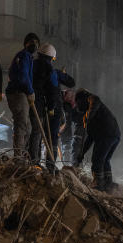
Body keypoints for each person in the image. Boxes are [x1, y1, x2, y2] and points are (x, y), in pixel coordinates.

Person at [31, 43, 75, 172]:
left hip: (37, 105)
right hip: (53, 107)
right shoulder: (53, 72)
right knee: (52, 136)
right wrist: (63, 74)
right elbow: (71, 82)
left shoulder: (32, 67)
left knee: (37, 134)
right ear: (52, 58)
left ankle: (34, 161)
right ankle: (50, 165)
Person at [74, 90, 120, 192]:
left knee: (97, 160)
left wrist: (88, 117)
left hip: (107, 134)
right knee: (105, 160)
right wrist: (82, 153)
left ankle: (98, 184)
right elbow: (90, 138)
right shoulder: (87, 115)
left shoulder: (92, 99)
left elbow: (94, 103)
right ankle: (108, 183)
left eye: (77, 102)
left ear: (82, 99)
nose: (77, 105)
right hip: (113, 135)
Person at [5, 33, 39, 158]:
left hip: (22, 93)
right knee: (21, 125)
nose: (34, 45)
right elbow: (23, 77)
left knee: (28, 127)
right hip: (18, 94)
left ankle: (22, 153)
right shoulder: (24, 56)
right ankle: (18, 157)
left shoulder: (28, 57)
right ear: (25, 44)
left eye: (36, 43)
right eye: (31, 42)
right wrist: (30, 91)